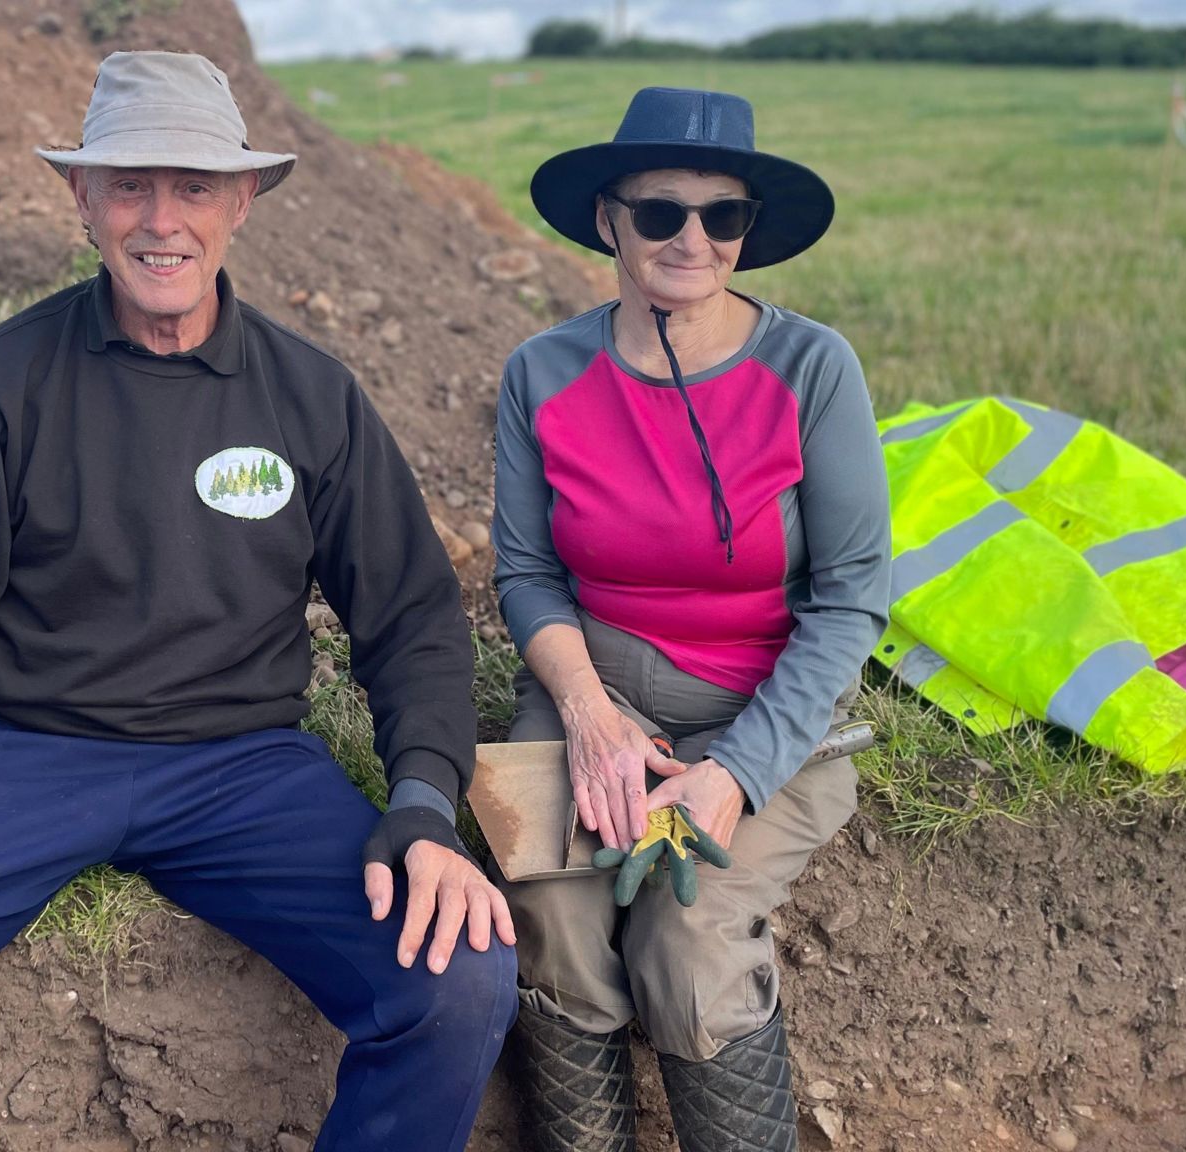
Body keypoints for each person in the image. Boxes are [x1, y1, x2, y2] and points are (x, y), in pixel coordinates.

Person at [0, 50, 517, 1152]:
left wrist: (419, 807)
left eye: (191, 187)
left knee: (457, 983)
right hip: (21, 754)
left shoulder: (311, 398)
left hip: (242, 770)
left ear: (242, 200)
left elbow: (411, 622)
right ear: (81, 198)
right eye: (129, 183)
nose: (159, 219)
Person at [492, 87, 890, 1151]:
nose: (693, 239)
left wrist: (737, 773)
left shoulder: (811, 370)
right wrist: (585, 713)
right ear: (608, 221)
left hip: (764, 710)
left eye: (723, 216)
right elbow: (526, 572)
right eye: (661, 212)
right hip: (596, 698)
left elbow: (851, 594)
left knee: (685, 936)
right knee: (558, 927)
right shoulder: (542, 373)